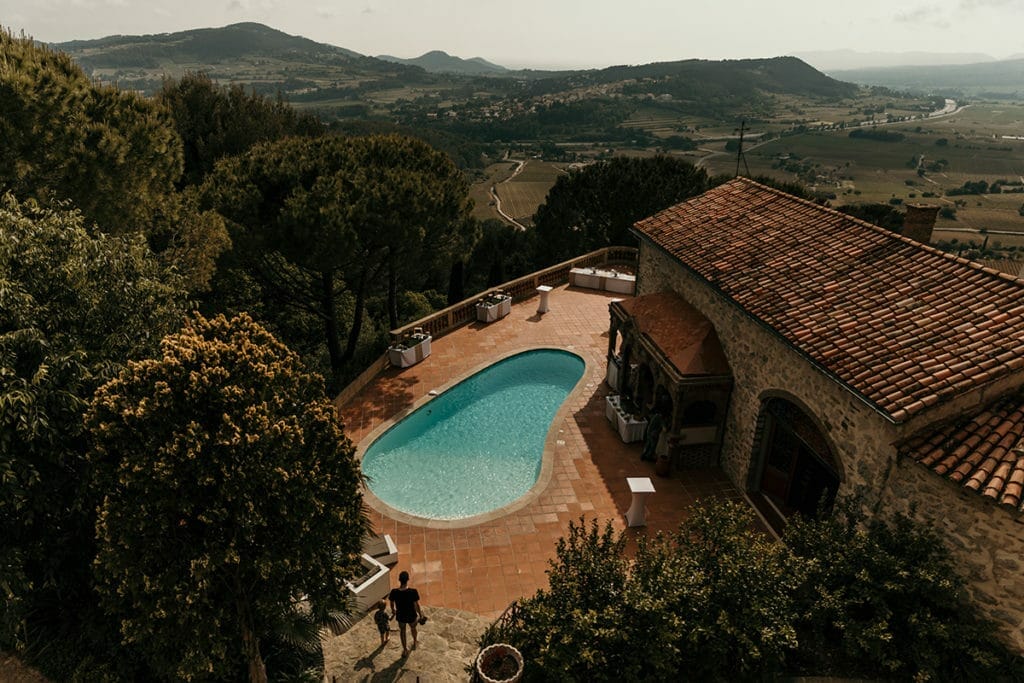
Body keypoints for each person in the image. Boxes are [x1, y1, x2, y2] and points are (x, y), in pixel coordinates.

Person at [388, 570, 422, 656]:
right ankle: (415, 641)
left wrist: (393, 610)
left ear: (399, 580)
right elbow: (416, 605)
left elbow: (391, 603)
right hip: (411, 615)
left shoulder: (394, 592)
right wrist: (420, 615)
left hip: (401, 615)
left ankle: (405, 649)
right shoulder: (413, 592)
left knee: (402, 631)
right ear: (407, 580)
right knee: (413, 628)